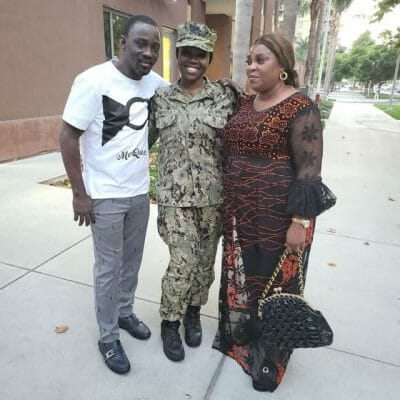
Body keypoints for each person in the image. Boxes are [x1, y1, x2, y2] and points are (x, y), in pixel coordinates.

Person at [212, 33, 336, 391]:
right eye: (249, 60)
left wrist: (299, 222)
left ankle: (272, 358)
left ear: (282, 67)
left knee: (278, 286)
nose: (251, 67)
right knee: (251, 280)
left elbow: (309, 170)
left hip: (280, 216)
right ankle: (249, 333)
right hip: (242, 212)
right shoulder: (247, 104)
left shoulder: (301, 108)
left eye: (260, 60)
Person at [59, 15, 168, 375]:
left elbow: (187, 93)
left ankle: (124, 313)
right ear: (123, 42)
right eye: (141, 43)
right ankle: (107, 338)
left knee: (132, 263)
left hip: (139, 192)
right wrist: (80, 193)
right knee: (109, 267)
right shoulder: (93, 81)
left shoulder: (155, 84)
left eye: (154, 45)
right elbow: (68, 136)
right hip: (104, 195)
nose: (148, 52)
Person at [148, 21, 237, 362]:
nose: (193, 59)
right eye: (187, 52)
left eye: (200, 54)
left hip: (213, 199)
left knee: (204, 266)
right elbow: (141, 142)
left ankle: (192, 313)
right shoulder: (160, 99)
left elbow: (246, 133)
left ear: (208, 57)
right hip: (174, 200)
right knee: (181, 263)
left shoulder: (225, 97)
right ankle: (170, 321)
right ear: (178, 53)